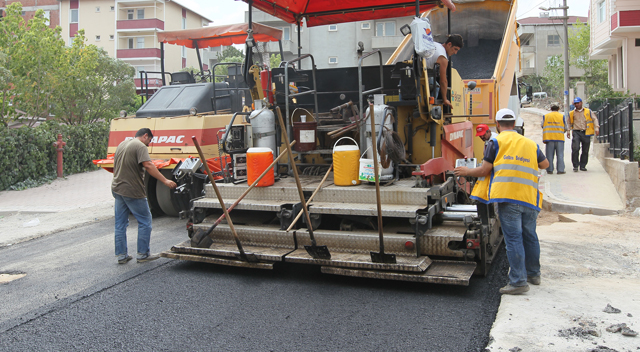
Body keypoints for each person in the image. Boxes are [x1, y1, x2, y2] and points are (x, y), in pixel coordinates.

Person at [454, 109, 549, 295]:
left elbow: (484, 171)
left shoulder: (495, 142)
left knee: (513, 239)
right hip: (530, 197)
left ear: (497, 124)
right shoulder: (530, 143)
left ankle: (518, 282)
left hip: (509, 198)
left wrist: (465, 172)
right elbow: (545, 164)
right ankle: (534, 274)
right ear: (514, 124)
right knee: (530, 236)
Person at [111, 128, 177, 264]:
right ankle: (143, 254)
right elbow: (148, 165)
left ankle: (121, 256)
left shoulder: (122, 144)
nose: (148, 144)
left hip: (117, 188)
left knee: (120, 224)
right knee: (145, 221)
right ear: (145, 136)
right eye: (150, 141)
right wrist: (165, 181)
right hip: (132, 191)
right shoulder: (140, 146)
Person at [424, 34, 463, 108]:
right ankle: (430, 108)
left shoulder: (435, 44)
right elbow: (443, 81)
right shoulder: (443, 57)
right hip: (424, 76)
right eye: (455, 49)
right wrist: (445, 99)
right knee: (437, 85)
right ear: (449, 44)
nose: (455, 52)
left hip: (412, 72)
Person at [567, 97, 599, 172]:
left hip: (586, 132)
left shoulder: (588, 111)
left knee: (585, 150)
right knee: (575, 148)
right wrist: (568, 131)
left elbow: (595, 119)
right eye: (575, 103)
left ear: (581, 103)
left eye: (578, 103)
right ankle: (575, 165)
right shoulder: (572, 113)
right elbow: (569, 122)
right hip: (576, 132)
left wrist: (597, 128)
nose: (576, 105)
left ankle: (583, 165)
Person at [541, 105, 566, 174]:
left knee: (549, 155)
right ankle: (560, 170)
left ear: (551, 109)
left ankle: (549, 170)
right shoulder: (562, 116)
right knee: (560, 155)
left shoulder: (546, 116)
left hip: (549, 138)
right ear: (558, 109)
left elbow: (542, 125)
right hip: (559, 138)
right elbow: (565, 127)